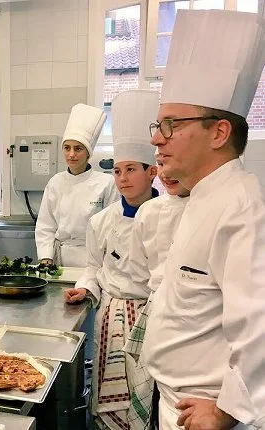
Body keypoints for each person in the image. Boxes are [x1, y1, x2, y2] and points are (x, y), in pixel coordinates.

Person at [143, 9, 265, 430]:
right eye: (158, 125)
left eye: (172, 125)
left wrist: (226, 411)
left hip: (207, 412)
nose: (157, 138)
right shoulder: (201, 200)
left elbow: (259, 323)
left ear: (218, 133)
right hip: (178, 402)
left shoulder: (241, 208)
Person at [64, 89, 159, 430]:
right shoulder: (101, 221)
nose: (122, 179)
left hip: (151, 319)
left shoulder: (171, 216)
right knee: (108, 404)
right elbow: (93, 268)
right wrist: (85, 289)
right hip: (111, 318)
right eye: (117, 171)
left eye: (131, 169)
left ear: (153, 172)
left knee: (145, 403)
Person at [121, 158, 190, 428]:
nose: (166, 172)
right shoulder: (148, 212)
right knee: (155, 397)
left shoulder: (212, 206)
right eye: (161, 164)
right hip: (158, 316)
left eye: (174, 163)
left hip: (193, 327)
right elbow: (138, 270)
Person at [36, 104, 119, 268]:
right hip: (60, 259)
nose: (71, 154)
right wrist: (46, 259)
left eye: (78, 148)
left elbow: (112, 227)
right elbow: (45, 225)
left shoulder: (106, 183)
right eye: (67, 148)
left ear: (88, 153)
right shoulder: (55, 182)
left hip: (93, 259)